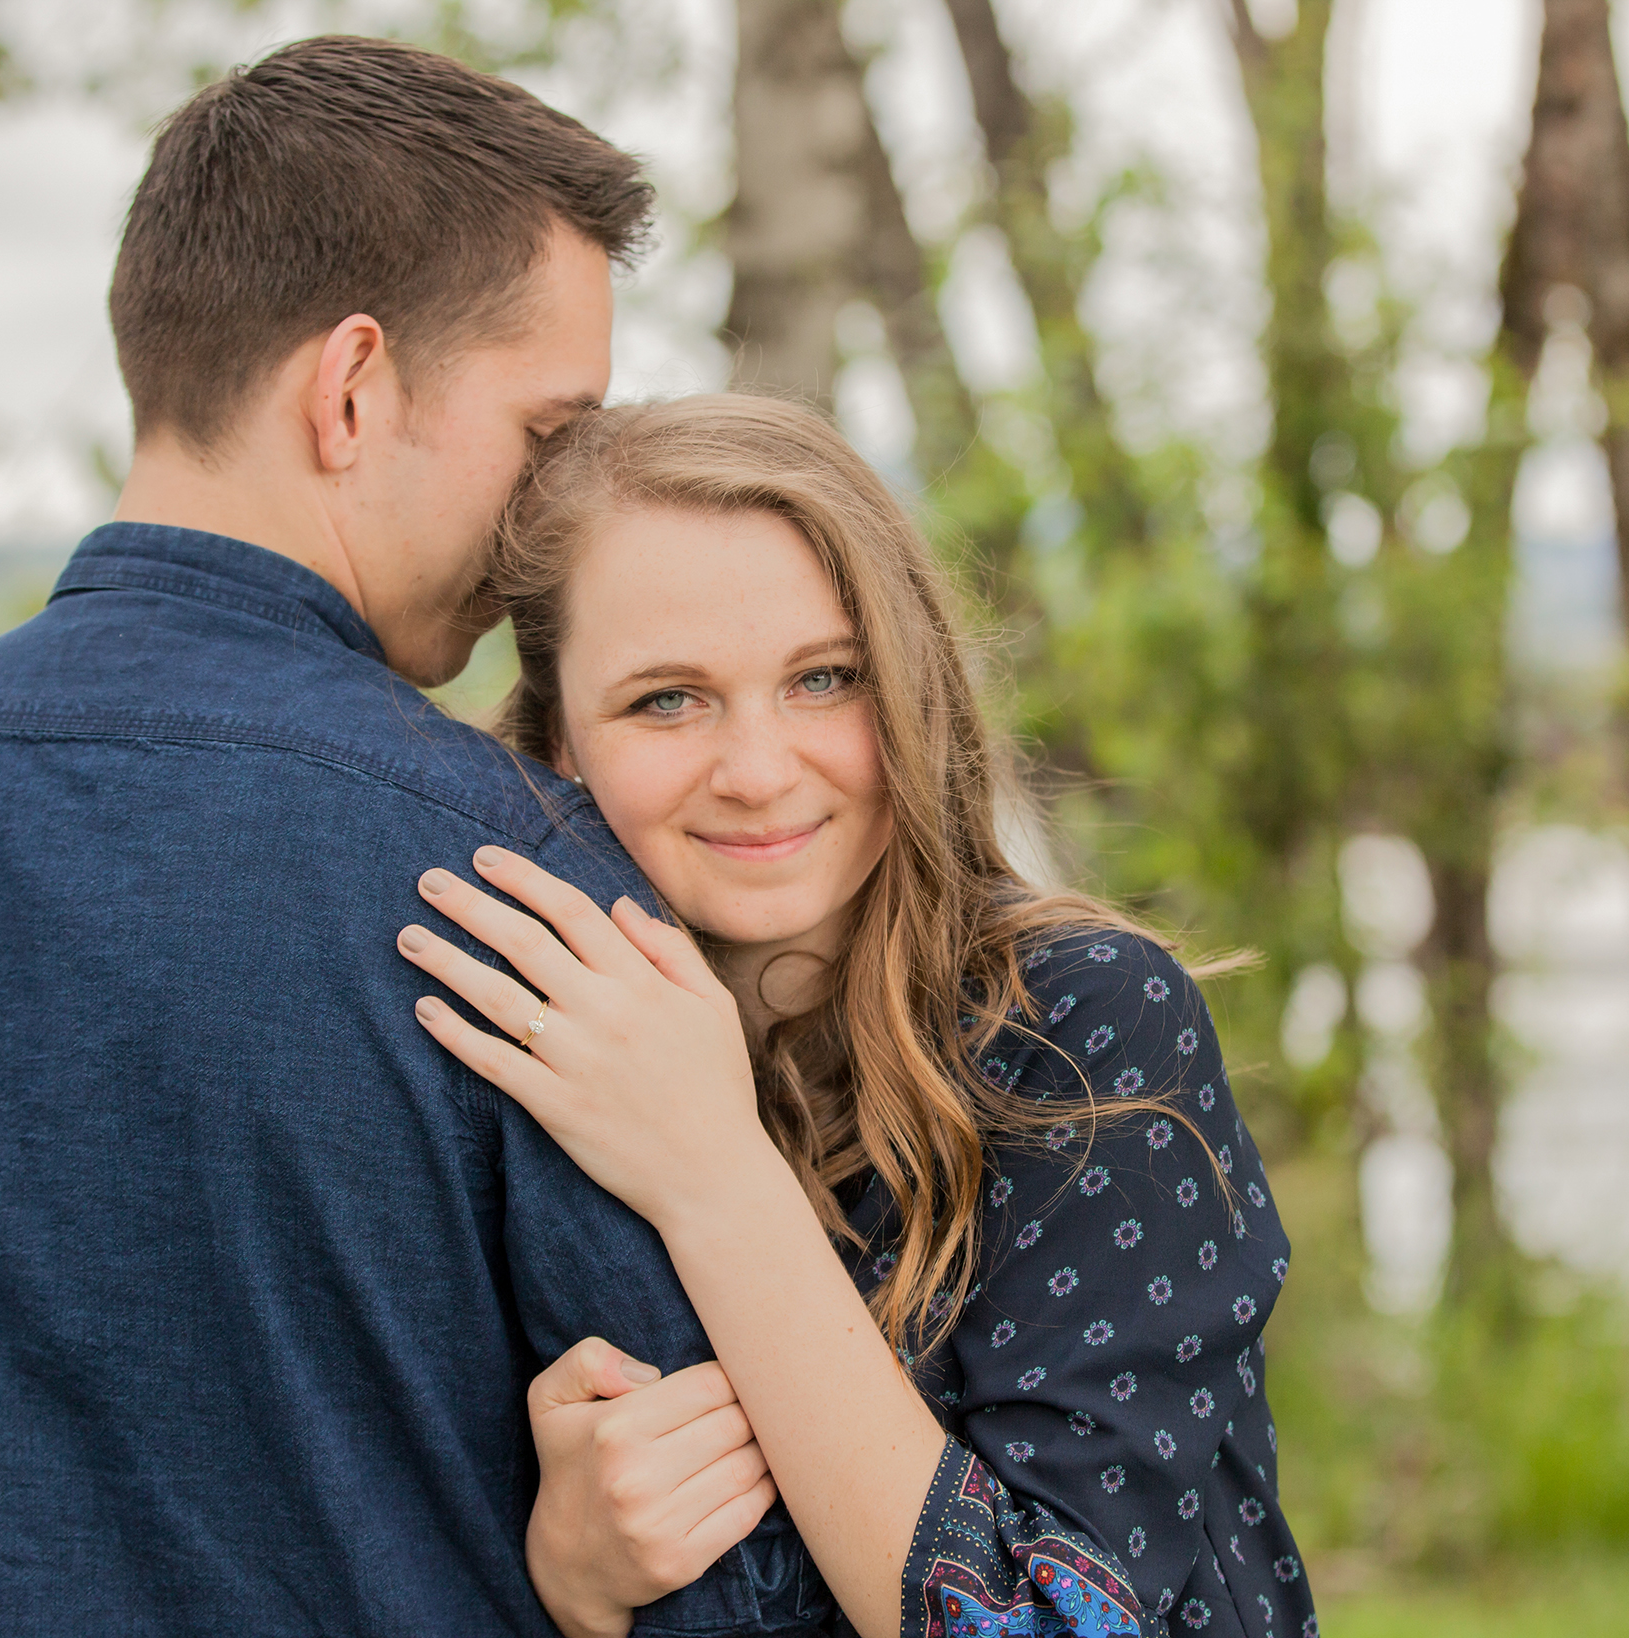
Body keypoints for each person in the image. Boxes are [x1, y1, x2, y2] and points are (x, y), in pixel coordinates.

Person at [0, 41, 829, 1636]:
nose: (548, 513)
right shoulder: (513, 879)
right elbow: (717, 1550)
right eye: (546, 428)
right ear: (353, 389)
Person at [397, 395, 1317, 1638]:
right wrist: (566, 1580)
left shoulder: (1084, 1024)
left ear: (912, 683)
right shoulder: (516, 1059)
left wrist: (715, 1177)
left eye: (825, 679)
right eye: (668, 700)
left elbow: (1050, 1625)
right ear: (556, 739)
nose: (762, 770)